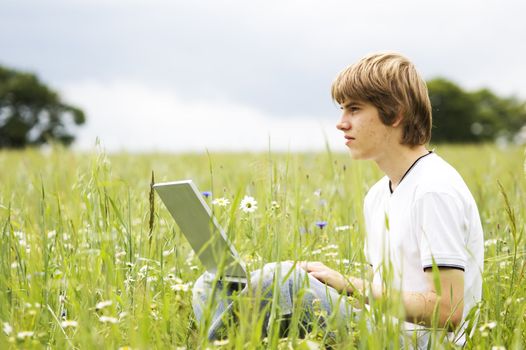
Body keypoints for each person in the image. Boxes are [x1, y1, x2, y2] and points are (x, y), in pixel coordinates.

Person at [192, 52, 484, 348]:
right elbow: (382, 296)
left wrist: (347, 285)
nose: (341, 124)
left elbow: (449, 311)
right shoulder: (378, 196)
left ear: (395, 113)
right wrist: (328, 289)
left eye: (354, 109)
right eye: (342, 110)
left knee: (283, 280)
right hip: (382, 330)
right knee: (212, 284)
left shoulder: (434, 189)